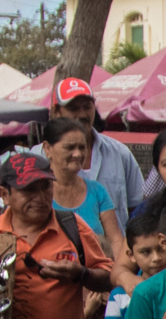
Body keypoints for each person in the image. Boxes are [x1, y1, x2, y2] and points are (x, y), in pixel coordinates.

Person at [0, 151, 111, 319]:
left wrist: (80, 274)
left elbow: (108, 278)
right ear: (4, 194)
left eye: (46, 187)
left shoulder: (72, 226)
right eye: (29, 190)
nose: (41, 198)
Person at [48, 78, 146, 215]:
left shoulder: (120, 153)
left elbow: (137, 208)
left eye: (87, 107)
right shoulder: (39, 157)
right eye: (73, 108)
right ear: (56, 112)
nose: (82, 115)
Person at [38, 114, 124, 267]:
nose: (78, 154)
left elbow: (115, 239)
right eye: (70, 147)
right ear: (48, 149)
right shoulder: (38, 193)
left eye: (82, 147)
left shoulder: (97, 191)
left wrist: (112, 273)